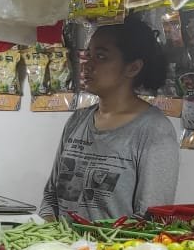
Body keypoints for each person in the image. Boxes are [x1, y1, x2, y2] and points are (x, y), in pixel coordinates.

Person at [38, 16, 179, 222]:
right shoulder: (78, 120)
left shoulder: (154, 130)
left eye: (101, 57)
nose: (87, 65)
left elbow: (151, 219)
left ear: (133, 68)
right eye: (88, 55)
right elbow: (51, 197)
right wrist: (52, 239)